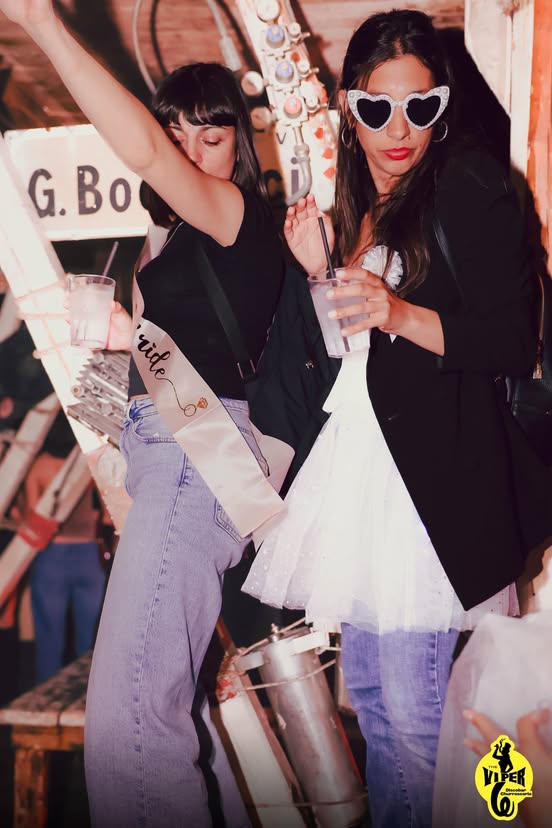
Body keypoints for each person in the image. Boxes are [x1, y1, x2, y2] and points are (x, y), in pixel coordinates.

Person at [242, 9, 552, 828]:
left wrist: (398, 311)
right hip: (366, 485)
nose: (399, 128)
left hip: (430, 493)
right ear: (351, 108)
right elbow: (352, 360)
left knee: (416, 728)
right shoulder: (363, 206)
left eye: (420, 105)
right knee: (381, 715)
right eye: (378, 108)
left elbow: (511, 339)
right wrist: (321, 274)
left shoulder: (469, 184)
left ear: (442, 106)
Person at [0, 2, 285, 827]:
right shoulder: (160, 252)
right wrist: (110, 344)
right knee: (175, 715)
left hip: (198, 457)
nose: (190, 152)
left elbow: (150, 156)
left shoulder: (236, 217)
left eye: (211, 135)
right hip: (164, 456)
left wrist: (43, 25)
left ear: (239, 147)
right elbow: (126, 390)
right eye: (178, 133)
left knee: (129, 727)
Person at [21, 411, 107, 683]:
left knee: (49, 639)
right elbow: (106, 515)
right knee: (90, 641)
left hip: (52, 558)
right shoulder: (89, 462)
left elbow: (33, 516)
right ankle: (87, 699)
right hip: (89, 558)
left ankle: (47, 696)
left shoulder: (39, 466)